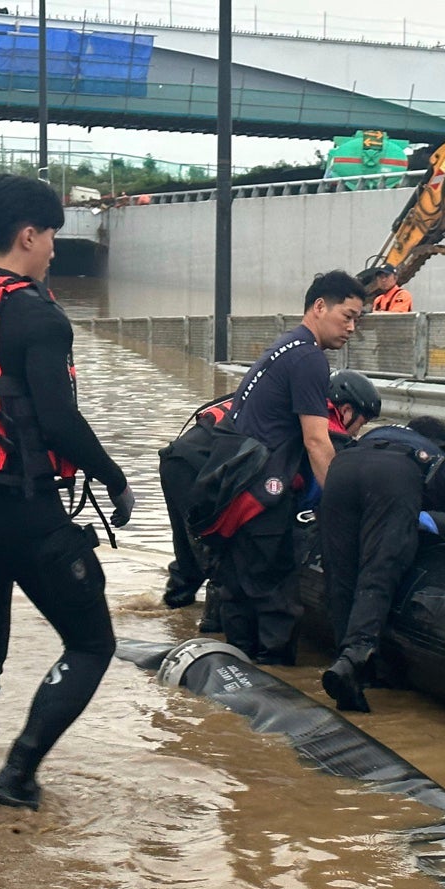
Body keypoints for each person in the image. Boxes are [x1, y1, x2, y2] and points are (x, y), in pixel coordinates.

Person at [0, 174, 136, 810]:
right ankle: (19, 773)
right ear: (28, 235)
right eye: (53, 238)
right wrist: (114, 476)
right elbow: (59, 419)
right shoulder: (36, 311)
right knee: (93, 642)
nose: (55, 252)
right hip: (30, 515)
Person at [191, 270, 364, 665]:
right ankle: (278, 678)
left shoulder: (283, 346)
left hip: (232, 490)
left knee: (238, 589)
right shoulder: (309, 359)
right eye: (348, 316)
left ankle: (236, 677)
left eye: (357, 319)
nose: (352, 327)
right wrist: (341, 508)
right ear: (320, 307)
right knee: (274, 596)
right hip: (262, 494)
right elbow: (317, 440)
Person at [158, 369, 381, 627]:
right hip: (203, 470)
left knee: (191, 555)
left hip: (177, 460)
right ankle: (213, 637)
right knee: (223, 559)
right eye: (361, 423)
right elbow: (335, 477)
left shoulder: (287, 398)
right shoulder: (323, 419)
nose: (356, 432)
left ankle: (172, 617)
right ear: (345, 409)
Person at [319, 414, 445, 712]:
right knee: (380, 569)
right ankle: (356, 656)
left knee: (341, 574)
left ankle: (347, 670)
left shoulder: (378, 435)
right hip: (393, 475)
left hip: (342, 466)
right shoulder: (437, 460)